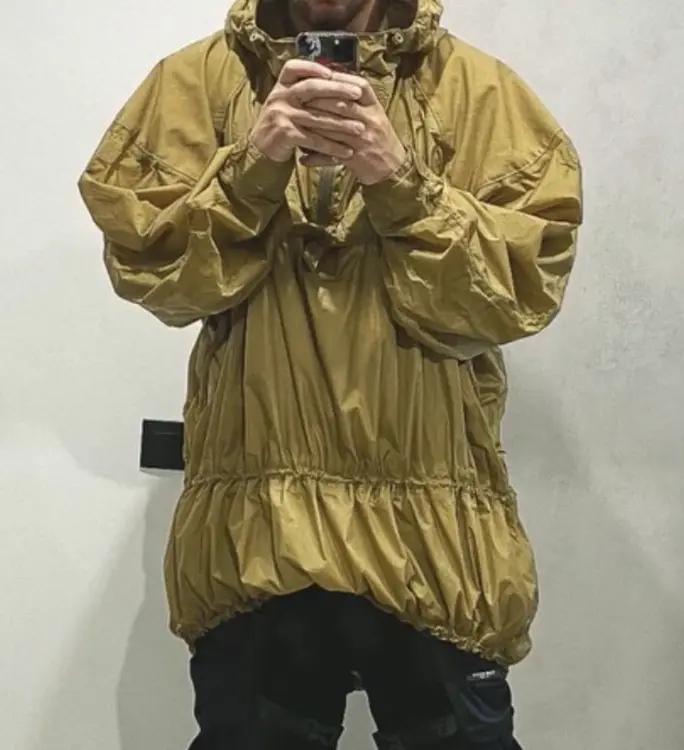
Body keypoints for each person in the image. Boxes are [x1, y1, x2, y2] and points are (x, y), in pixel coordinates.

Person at [79, 0, 582, 747]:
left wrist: (399, 179)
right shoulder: (195, 84)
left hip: (433, 535)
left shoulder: (476, 92)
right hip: (259, 529)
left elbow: (516, 295)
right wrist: (252, 167)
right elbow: (155, 273)